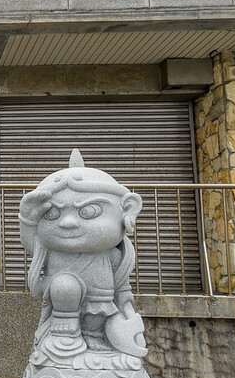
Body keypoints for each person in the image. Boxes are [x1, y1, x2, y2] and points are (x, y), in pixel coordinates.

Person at [18, 149, 148, 362]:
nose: (67, 223)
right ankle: (63, 334)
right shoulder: (52, 253)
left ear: (128, 209)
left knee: (99, 312)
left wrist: (126, 307)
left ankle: (94, 336)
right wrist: (27, 220)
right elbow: (32, 245)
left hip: (101, 303)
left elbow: (122, 286)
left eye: (88, 212)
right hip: (62, 305)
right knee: (65, 286)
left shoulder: (113, 256)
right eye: (53, 214)